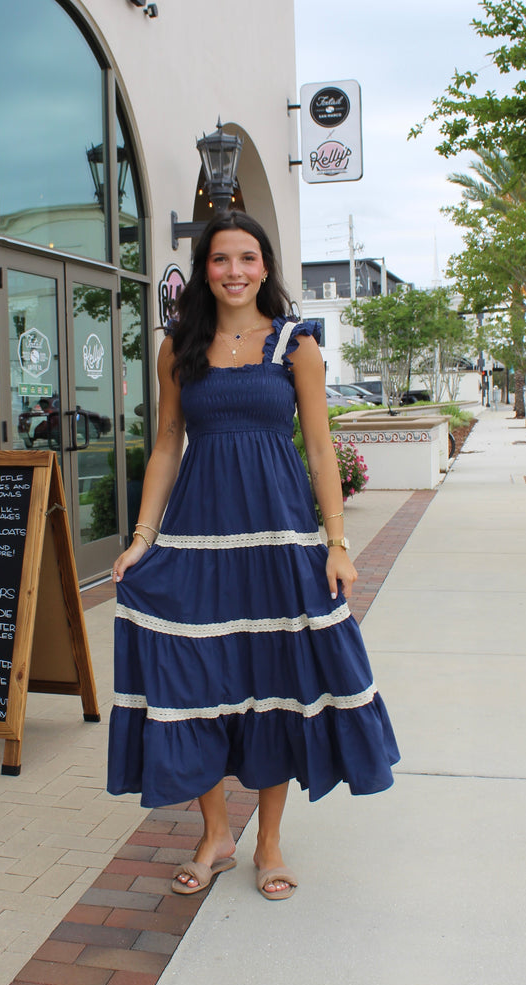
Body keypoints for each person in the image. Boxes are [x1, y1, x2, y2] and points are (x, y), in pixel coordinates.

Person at [107, 211, 399, 900]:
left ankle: (268, 842)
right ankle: (215, 834)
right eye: (220, 259)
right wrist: (143, 538)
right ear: (204, 269)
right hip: (198, 539)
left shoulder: (298, 345)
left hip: (277, 540)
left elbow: (320, 450)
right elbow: (168, 442)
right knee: (193, 680)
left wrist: (337, 544)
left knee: (277, 683)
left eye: (246, 257)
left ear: (265, 267)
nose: (233, 270)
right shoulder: (179, 344)